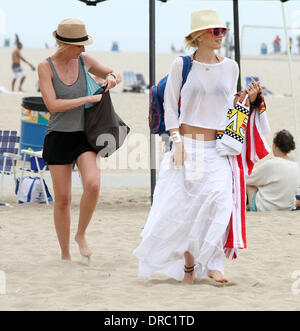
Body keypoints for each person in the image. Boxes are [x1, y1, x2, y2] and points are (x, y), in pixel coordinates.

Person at [134, 9, 261, 284]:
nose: (221, 35)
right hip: (187, 145)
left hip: (217, 148)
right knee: (185, 210)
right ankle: (189, 268)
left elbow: (230, 110)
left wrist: (247, 101)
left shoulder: (231, 66)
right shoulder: (182, 65)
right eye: (215, 31)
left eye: (222, 31)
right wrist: (177, 142)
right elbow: (170, 107)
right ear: (199, 36)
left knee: (220, 203)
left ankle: (215, 264)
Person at [38, 18, 121, 261]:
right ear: (64, 44)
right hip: (59, 137)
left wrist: (113, 78)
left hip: (85, 135)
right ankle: (65, 253)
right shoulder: (45, 67)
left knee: (93, 184)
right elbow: (52, 105)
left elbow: (112, 71)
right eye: (79, 45)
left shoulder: (84, 61)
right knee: (63, 200)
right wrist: (86, 99)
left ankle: (81, 234)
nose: (84, 49)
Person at [246, 130, 300, 212]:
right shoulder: (295, 165)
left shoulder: (273, 163)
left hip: (266, 207)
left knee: (249, 184)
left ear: (275, 146)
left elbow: (249, 178)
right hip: (287, 206)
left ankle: (249, 206)